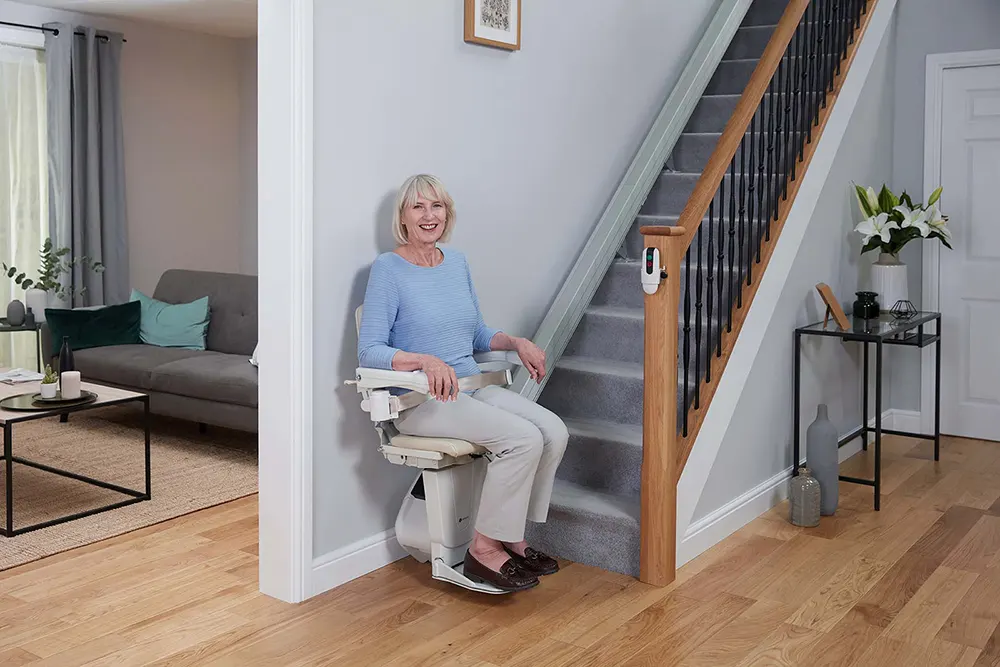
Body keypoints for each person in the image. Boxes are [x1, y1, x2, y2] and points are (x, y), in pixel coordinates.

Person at [358, 174, 569, 592]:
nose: (428, 215)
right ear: (403, 216)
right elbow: (369, 352)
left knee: (554, 432)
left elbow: (475, 336)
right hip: (422, 401)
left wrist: (514, 341)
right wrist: (423, 360)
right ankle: (484, 548)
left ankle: (509, 535)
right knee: (523, 439)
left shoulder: (457, 264)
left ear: (447, 213)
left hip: (470, 387)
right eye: (418, 207)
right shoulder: (389, 269)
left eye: (436, 206)